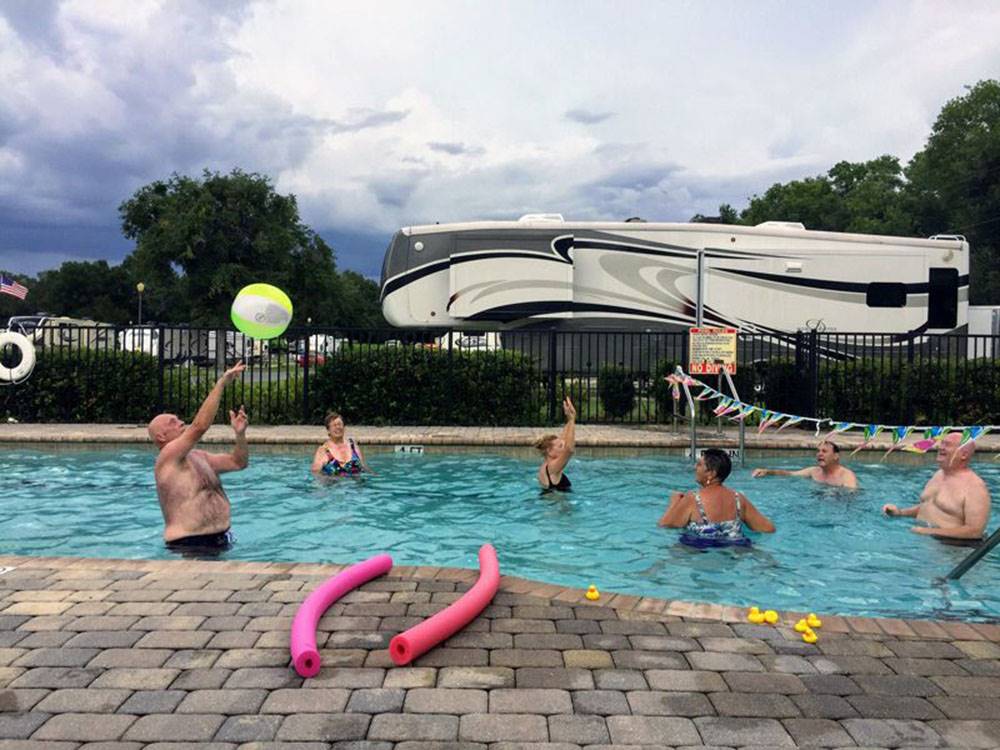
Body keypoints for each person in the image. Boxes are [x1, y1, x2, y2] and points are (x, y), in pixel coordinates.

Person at [147, 362, 248, 555]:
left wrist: (240, 435)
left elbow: (239, 462)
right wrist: (221, 383)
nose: (181, 422)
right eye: (173, 422)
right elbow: (199, 426)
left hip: (222, 538)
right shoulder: (166, 457)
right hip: (190, 542)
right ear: (161, 437)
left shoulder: (199, 457)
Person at [883, 432, 991, 541]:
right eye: (942, 443)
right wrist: (900, 512)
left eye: (947, 445)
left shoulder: (975, 487)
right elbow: (929, 506)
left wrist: (928, 532)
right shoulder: (939, 474)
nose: (941, 447)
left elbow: (975, 531)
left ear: (964, 454)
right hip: (926, 541)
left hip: (953, 550)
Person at [660, 448, 775, 547]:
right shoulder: (738, 499)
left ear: (711, 473)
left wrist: (674, 503)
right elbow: (768, 529)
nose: (695, 467)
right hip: (735, 550)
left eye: (699, 464)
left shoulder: (692, 499)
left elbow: (665, 525)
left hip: (698, 550)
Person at [751, 440, 858, 489]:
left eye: (824, 451)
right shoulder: (814, 471)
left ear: (836, 456)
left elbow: (851, 498)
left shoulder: (846, 476)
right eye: (818, 451)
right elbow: (790, 474)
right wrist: (767, 471)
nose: (819, 454)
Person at [311, 412, 373, 477]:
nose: (338, 427)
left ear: (344, 427)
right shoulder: (323, 450)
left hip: (355, 485)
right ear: (328, 430)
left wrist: (373, 476)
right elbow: (315, 473)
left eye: (340, 424)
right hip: (333, 485)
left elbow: (363, 466)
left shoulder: (353, 446)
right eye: (334, 425)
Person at [535, 397, 576, 492]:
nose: (563, 447)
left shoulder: (545, 466)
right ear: (549, 451)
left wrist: (570, 419)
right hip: (557, 505)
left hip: (550, 504)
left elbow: (564, 440)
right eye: (560, 447)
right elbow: (569, 449)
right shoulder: (553, 468)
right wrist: (572, 419)